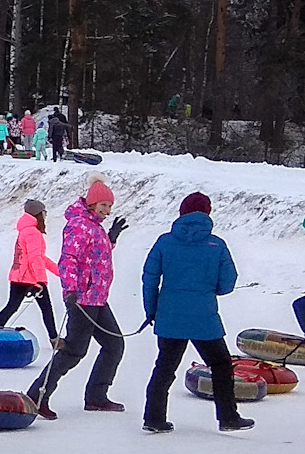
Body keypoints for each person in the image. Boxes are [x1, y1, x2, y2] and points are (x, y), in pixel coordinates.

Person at [141, 192, 253, 433]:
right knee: (221, 364)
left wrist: (151, 310)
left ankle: (154, 418)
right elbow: (228, 282)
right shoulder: (217, 244)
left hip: (170, 314)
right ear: (208, 213)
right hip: (204, 316)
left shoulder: (164, 242)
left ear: (181, 213)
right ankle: (228, 417)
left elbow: (150, 278)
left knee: (164, 367)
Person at [27, 176, 130, 419]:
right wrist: (70, 290)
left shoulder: (94, 226)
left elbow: (94, 257)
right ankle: (37, 396)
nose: (107, 211)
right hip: (82, 299)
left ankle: (96, 396)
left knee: (114, 345)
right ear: (92, 203)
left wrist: (111, 239)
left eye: (109, 206)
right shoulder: (78, 225)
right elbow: (69, 259)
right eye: (103, 205)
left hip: (97, 298)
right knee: (74, 351)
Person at [0, 199, 61, 348]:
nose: (45, 216)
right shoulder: (32, 232)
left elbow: (40, 257)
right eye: (44, 213)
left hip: (19, 277)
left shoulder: (26, 230)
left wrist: (60, 272)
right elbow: (34, 258)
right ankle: (55, 340)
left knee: (11, 307)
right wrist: (40, 281)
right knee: (46, 309)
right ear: (38, 214)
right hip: (30, 279)